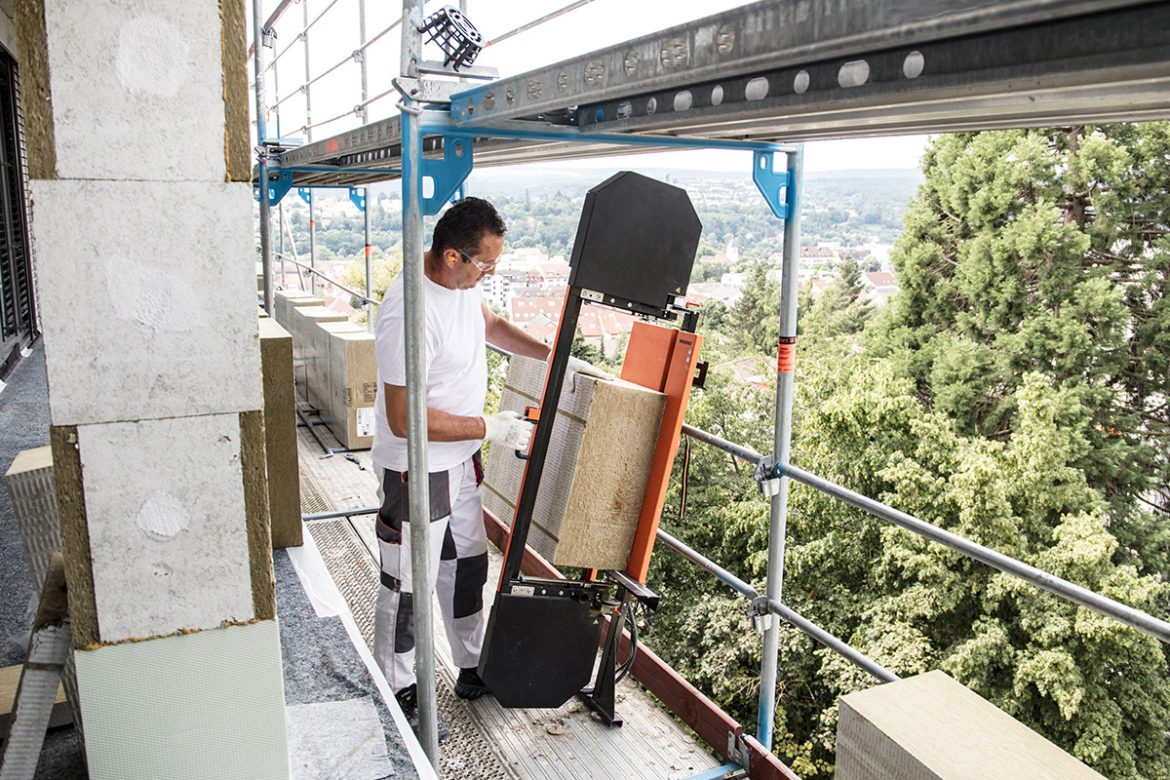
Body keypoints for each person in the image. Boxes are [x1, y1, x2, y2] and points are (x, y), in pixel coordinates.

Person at [371, 197, 550, 728]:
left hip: (460, 461)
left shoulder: (462, 290)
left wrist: (553, 354)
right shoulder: (409, 311)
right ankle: (398, 684)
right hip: (417, 468)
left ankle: (471, 664)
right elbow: (404, 418)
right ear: (452, 255)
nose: (489, 274)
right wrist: (491, 428)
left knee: (468, 565)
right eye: (484, 264)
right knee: (408, 582)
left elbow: (490, 325)